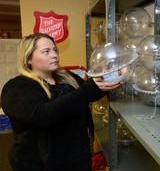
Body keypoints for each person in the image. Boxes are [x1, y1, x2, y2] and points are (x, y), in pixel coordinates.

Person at [0, 33, 122, 171]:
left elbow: (87, 94)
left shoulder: (65, 76)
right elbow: (43, 115)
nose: (54, 55)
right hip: (41, 163)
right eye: (46, 51)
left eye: (55, 50)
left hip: (75, 156)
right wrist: (88, 89)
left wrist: (107, 80)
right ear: (28, 59)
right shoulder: (17, 87)